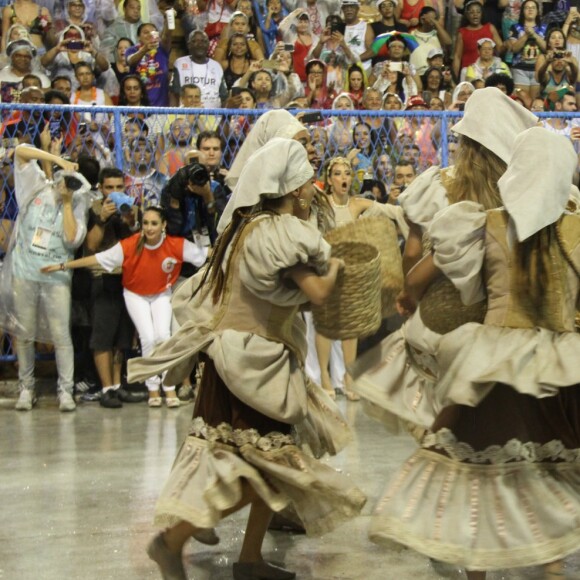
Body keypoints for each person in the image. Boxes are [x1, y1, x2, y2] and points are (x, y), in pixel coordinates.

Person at [127, 138, 366, 580]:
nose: (314, 191)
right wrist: (336, 269)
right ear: (294, 190)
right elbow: (316, 291)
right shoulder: (277, 232)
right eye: (309, 184)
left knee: (263, 466)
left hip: (245, 359)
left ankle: (250, 558)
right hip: (252, 366)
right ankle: (172, 539)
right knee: (264, 469)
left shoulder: (246, 229)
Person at [373, 126, 580, 580]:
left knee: (472, 467)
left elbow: (432, 279)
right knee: (554, 461)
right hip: (559, 363)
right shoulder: (577, 226)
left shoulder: (484, 223)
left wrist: (415, 294)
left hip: (491, 362)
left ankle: (477, 571)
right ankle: (552, 566)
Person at [42, 206, 208, 407]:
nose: (149, 228)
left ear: (164, 225)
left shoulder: (176, 245)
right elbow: (97, 259)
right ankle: (153, 388)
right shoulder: (129, 245)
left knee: (163, 336)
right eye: (145, 223)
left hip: (162, 294)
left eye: (154, 223)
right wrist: (62, 266)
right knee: (147, 337)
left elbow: (206, 253)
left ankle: (169, 387)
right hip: (135, 295)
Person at [1, 136, 90, 412]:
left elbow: (73, 239)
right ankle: (26, 388)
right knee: (23, 332)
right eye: (62, 176)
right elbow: (20, 152)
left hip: (56, 277)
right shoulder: (35, 187)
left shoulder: (76, 203)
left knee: (61, 334)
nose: (65, 181)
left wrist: (66, 202)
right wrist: (56, 159)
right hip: (25, 272)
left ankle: (66, 390)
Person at [125, 21, 171, 107]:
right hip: (138, 108)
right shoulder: (132, 50)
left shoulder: (162, 49)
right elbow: (131, 61)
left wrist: (167, 20)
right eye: (146, 32)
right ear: (138, 37)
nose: (150, 35)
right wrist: (144, 49)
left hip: (161, 108)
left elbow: (167, 36)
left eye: (153, 32)